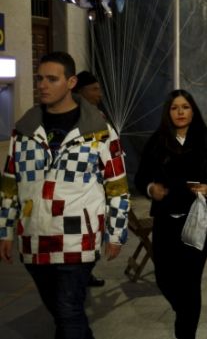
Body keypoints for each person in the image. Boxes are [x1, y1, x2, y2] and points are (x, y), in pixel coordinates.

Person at [0, 51, 130, 339]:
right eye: (40, 79)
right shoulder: (24, 131)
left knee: (68, 309)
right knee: (61, 313)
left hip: (78, 237)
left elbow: (117, 187)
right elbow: (10, 185)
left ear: (71, 82)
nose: (42, 85)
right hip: (34, 236)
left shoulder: (99, 131)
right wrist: (5, 232)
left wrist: (116, 233)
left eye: (51, 79)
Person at [135, 89, 207, 339]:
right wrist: (150, 188)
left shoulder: (206, 140)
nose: (180, 112)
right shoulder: (157, 141)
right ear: (168, 112)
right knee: (164, 278)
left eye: (185, 107)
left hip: (198, 218)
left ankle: (186, 332)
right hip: (166, 220)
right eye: (175, 107)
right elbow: (141, 177)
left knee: (190, 280)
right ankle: (185, 312)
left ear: (193, 110)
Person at [72, 70, 110, 288]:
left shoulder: (98, 116)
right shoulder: (76, 119)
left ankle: (85, 272)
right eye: (94, 89)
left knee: (95, 232)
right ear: (80, 91)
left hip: (98, 186)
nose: (100, 94)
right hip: (80, 190)